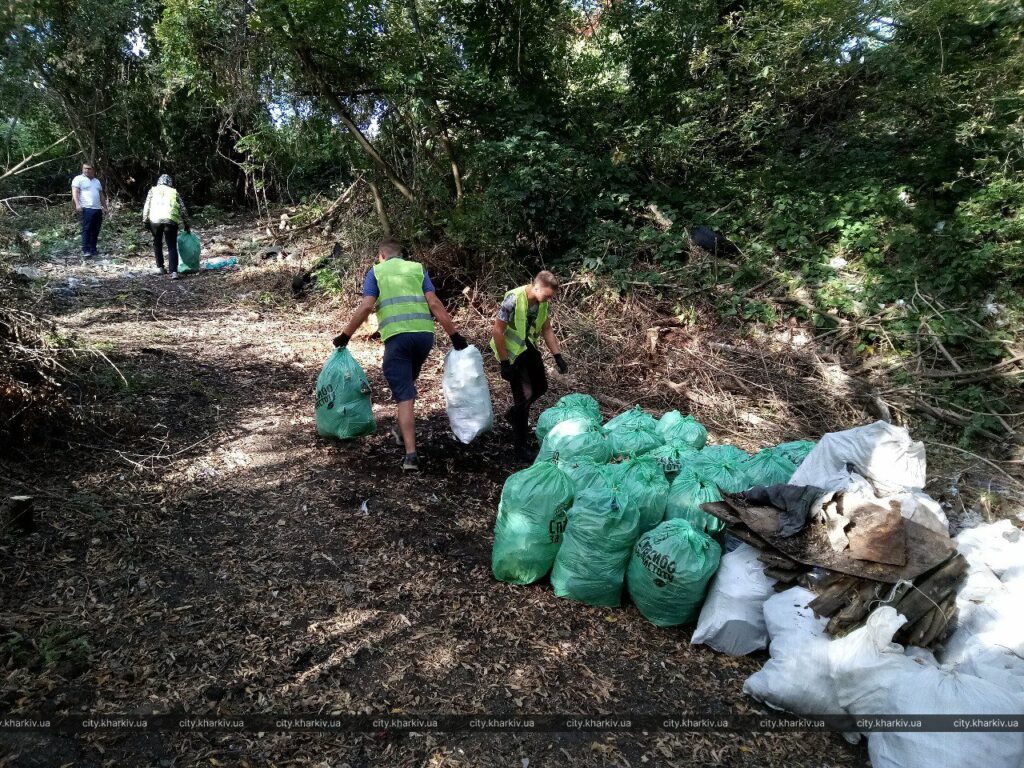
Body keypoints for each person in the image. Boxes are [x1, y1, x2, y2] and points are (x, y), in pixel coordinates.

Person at [332, 238, 468, 471]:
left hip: (398, 339)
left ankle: (411, 455)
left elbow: (366, 306)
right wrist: (454, 335)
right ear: (401, 255)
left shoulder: (377, 272)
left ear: (382, 254)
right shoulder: (417, 269)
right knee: (407, 385)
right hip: (424, 337)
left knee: (404, 396)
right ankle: (399, 429)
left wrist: (345, 335)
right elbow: (434, 303)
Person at [491, 271, 568, 460]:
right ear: (536, 287)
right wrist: (504, 363)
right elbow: (497, 331)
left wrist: (557, 355)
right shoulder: (513, 299)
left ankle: (514, 414)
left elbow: (546, 328)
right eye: (547, 295)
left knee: (541, 387)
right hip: (511, 353)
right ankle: (520, 448)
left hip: (527, 348)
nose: (549, 299)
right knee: (523, 397)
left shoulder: (542, 304)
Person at [142, 174, 191, 280]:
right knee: (172, 246)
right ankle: (173, 272)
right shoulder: (174, 192)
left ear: (159, 182)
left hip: (155, 220)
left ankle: (160, 267)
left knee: (157, 243)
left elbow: (147, 206)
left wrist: (145, 220)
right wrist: (187, 224)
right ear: (170, 182)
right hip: (170, 220)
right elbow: (183, 209)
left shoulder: (152, 191)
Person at [71, 163, 107, 258]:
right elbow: (75, 192)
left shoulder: (96, 181)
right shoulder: (78, 179)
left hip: (97, 208)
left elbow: (101, 195)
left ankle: (93, 249)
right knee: (87, 229)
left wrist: (104, 206)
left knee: (96, 230)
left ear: (93, 170)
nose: (86, 170)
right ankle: (86, 250)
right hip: (86, 208)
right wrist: (78, 204)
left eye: (89, 169)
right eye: (85, 168)